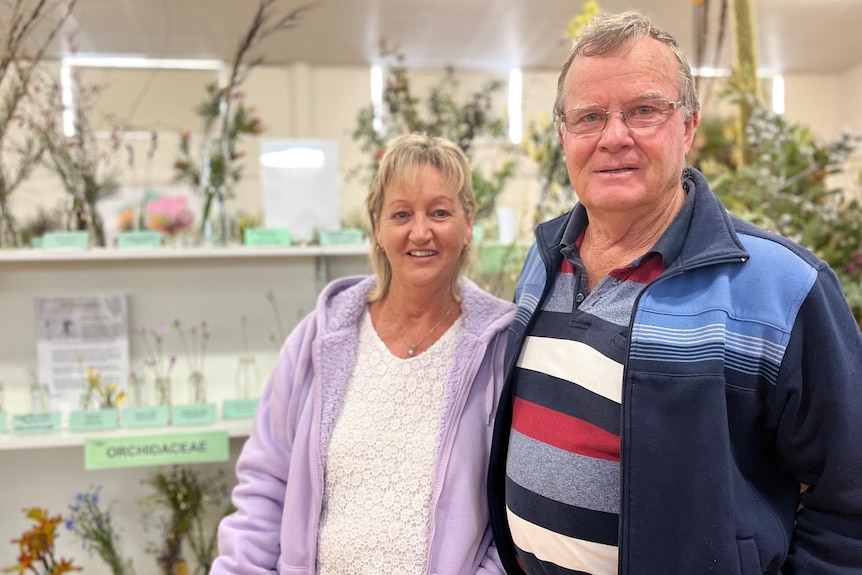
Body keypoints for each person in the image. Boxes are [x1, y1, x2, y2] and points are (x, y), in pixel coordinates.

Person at [488, 11, 862, 575]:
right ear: (564, 136)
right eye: (590, 117)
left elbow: (850, 498)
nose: (615, 136)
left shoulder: (781, 288)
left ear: (688, 126)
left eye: (643, 110)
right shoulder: (545, 261)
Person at [212, 132, 515, 575]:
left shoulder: (499, 350)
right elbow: (265, 486)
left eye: (440, 212)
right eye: (401, 213)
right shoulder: (319, 338)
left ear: (468, 224)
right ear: (376, 226)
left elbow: (515, 514)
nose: (420, 231)